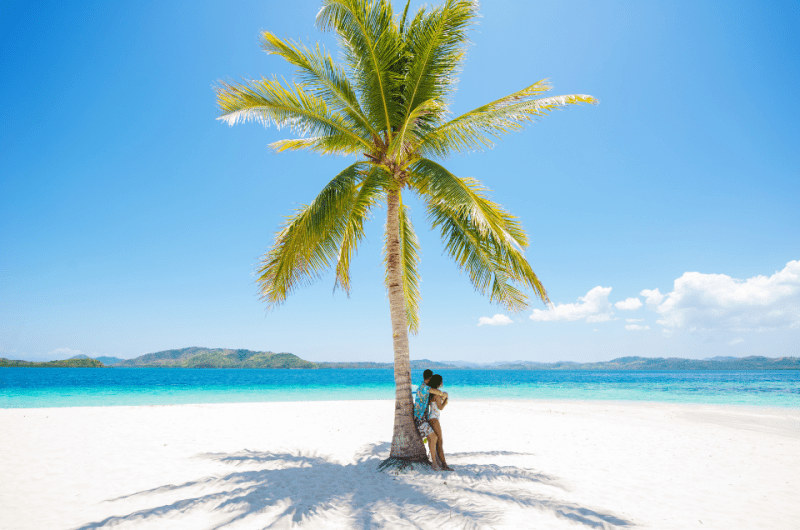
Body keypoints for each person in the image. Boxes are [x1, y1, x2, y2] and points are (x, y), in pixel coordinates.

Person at [413, 369, 448, 469]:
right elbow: (438, 393)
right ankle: (434, 463)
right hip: (420, 419)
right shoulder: (425, 387)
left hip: (423, 418)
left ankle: (435, 460)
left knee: (432, 438)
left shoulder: (422, 386)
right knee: (434, 438)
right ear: (429, 378)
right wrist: (444, 395)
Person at [426, 374, 451, 471]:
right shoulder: (436, 395)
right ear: (439, 383)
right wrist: (445, 402)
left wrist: (444, 396)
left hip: (432, 418)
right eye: (441, 381)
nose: (442, 383)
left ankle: (440, 462)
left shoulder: (433, 393)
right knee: (440, 441)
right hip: (434, 419)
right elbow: (440, 407)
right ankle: (444, 464)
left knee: (438, 441)